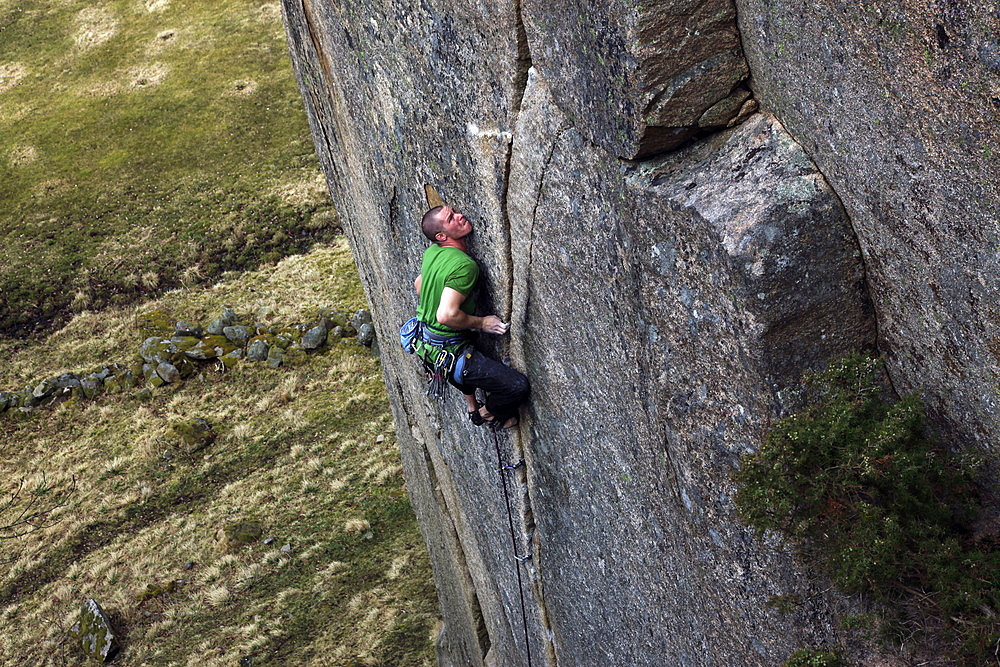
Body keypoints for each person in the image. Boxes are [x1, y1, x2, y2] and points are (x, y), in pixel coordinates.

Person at [413, 205, 529, 429]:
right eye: (451, 218)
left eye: (455, 212)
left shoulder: (432, 252)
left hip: (427, 344)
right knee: (516, 385)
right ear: (441, 235)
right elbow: (446, 315)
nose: (460, 216)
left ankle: (472, 407)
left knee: (462, 352)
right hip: (449, 347)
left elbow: (420, 285)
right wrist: (483, 323)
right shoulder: (465, 266)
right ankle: (488, 413)